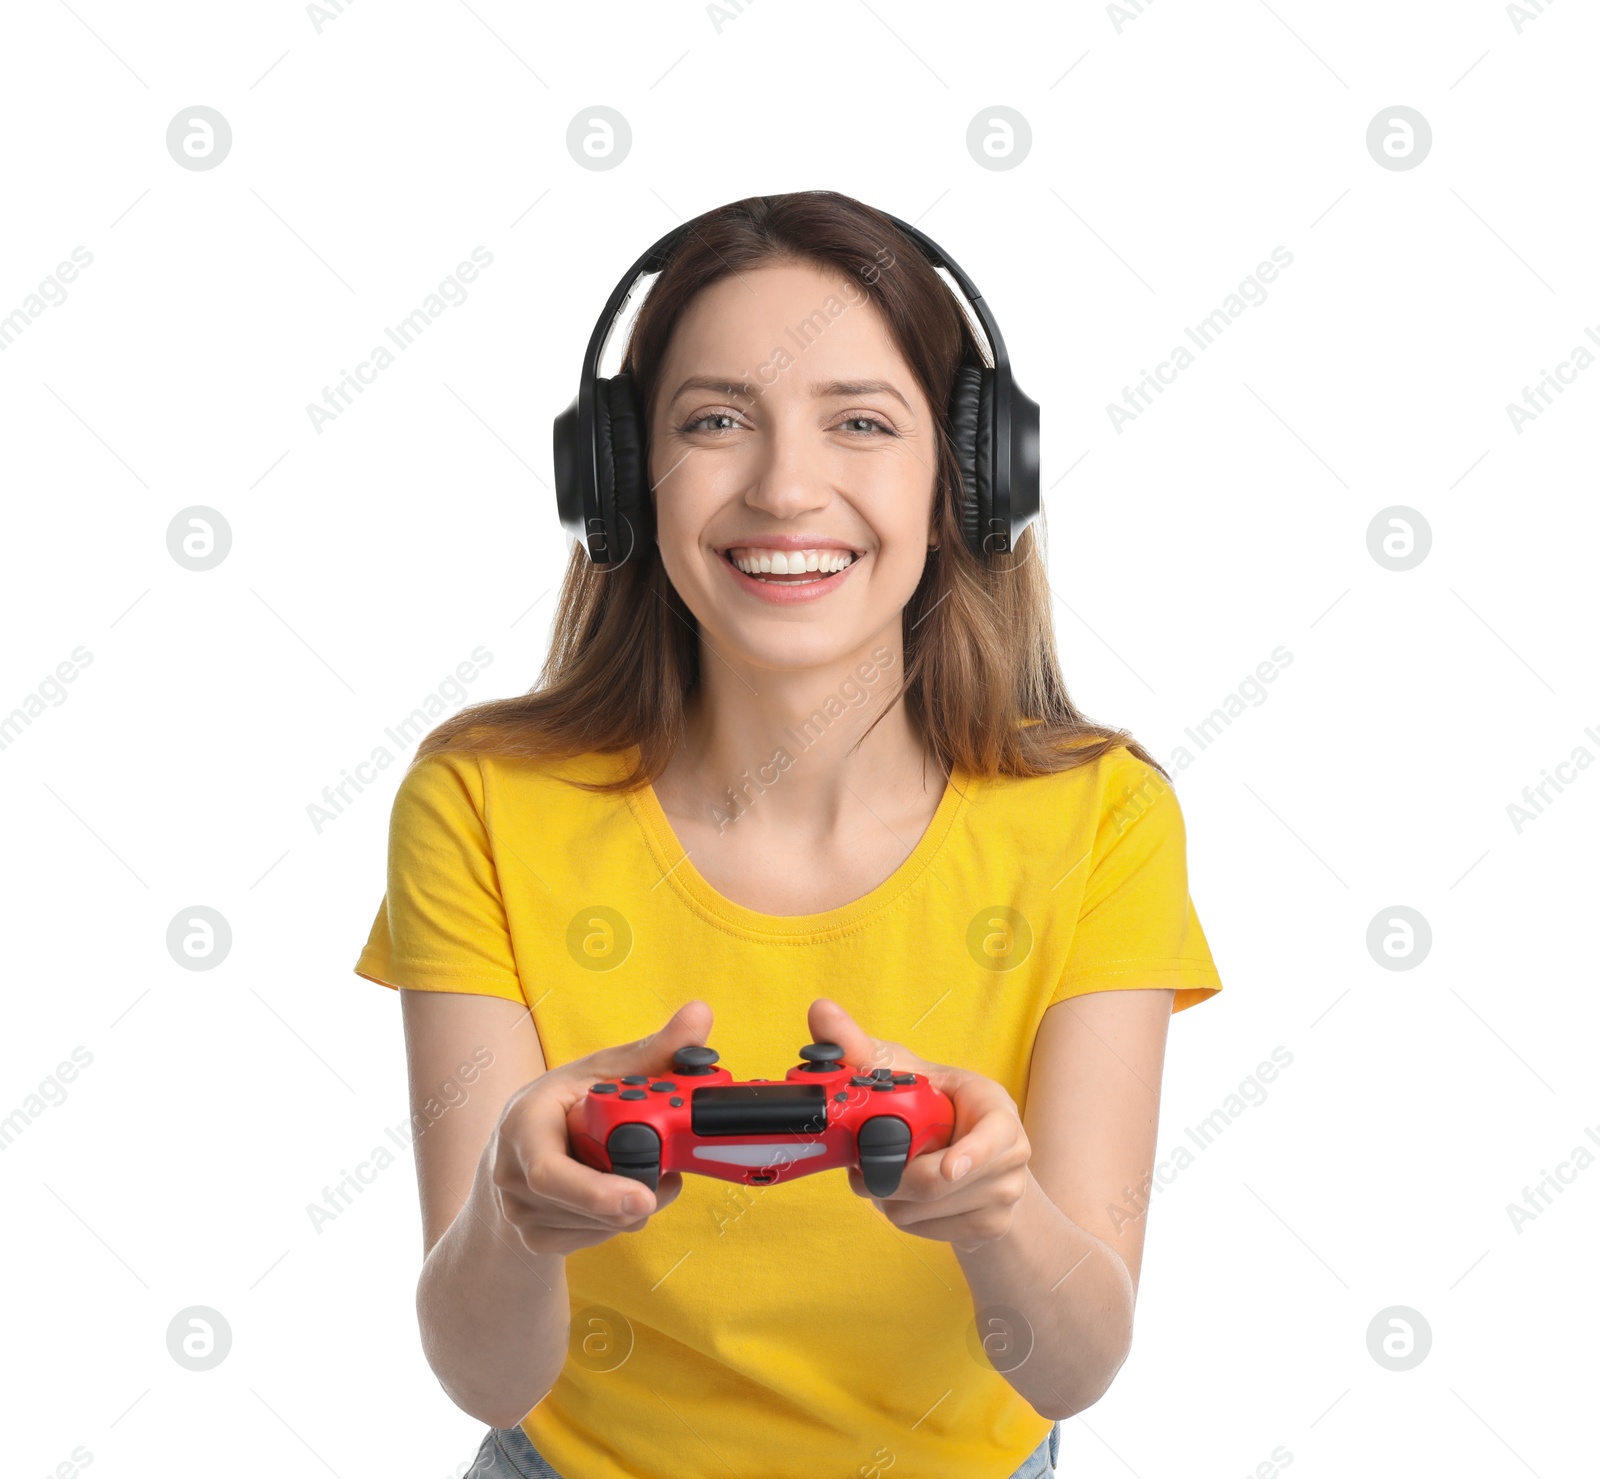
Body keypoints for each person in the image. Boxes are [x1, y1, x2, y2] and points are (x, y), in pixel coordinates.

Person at [353, 190, 1224, 1479]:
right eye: (714, 422)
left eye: (861, 423)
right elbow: (487, 1376)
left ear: (970, 480)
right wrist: (515, 1215)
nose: (784, 488)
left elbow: (1075, 1366)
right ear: (619, 479)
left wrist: (996, 1219)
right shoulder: (481, 799)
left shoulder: (1101, 817)